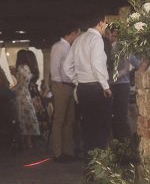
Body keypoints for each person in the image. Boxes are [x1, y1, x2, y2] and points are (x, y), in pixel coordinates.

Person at [62, 15, 112, 154]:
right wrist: (105, 86)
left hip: (83, 89)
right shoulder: (96, 39)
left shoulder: (79, 39)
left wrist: (77, 81)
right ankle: (99, 166)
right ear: (101, 23)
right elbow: (97, 65)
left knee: (88, 127)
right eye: (106, 24)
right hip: (97, 88)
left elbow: (67, 66)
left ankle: (90, 165)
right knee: (101, 128)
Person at [48, 24, 80, 162]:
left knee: (69, 119)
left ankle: (68, 151)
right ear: (72, 33)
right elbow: (54, 66)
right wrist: (58, 82)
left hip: (70, 85)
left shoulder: (69, 47)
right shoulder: (58, 47)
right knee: (59, 119)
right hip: (61, 85)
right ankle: (58, 152)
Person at [109, 32, 141, 141]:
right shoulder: (105, 46)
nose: (108, 35)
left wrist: (129, 73)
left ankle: (127, 142)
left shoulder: (123, 47)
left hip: (121, 84)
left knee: (121, 115)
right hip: (109, 84)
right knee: (113, 115)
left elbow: (137, 64)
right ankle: (118, 141)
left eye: (110, 33)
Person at [10, 49, 40, 151]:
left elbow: (20, 83)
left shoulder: (21, 67)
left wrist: (11, 89)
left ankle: (23, 143)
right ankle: (29, 143)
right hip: (26, 94)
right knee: (28, 118)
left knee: (21, 118)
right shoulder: (27, 67)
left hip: (21, 95)